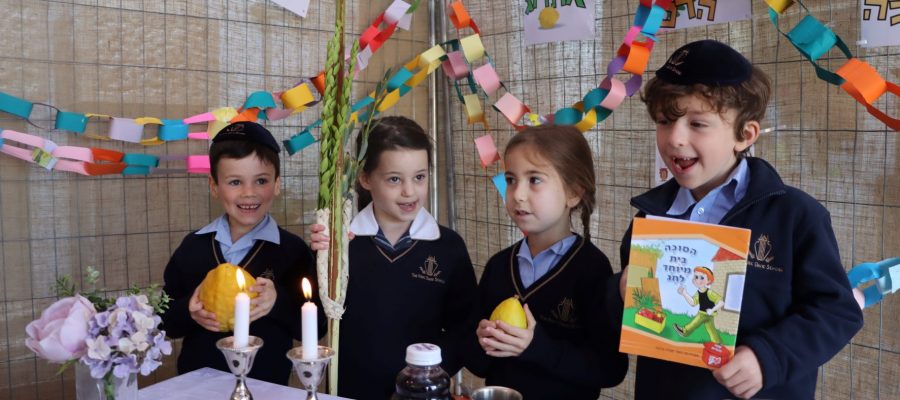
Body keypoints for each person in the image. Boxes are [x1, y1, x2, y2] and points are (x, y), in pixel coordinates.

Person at [614, 40, 864, 399]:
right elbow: (632, 315)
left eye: (697, 123)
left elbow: (837, 311)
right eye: (665, 121)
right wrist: (619, 294)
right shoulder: (651, 217)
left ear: (744, 135)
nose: (675, 138)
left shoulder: (795, 216)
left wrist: (769, 357)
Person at [309, 116, 478, 400]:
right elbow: (315, 319)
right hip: (349, 391)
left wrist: (427, 376)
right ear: (365, 178)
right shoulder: (340, 244)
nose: (409, 191)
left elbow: (465, 328)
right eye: (394, 179)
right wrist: (321, 258)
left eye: (419, 177)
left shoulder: (448, 247)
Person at [464, 125, 628, 399]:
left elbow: (610, 369)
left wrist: (536, 346)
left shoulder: (592, 269)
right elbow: (476, 364)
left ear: (574, 193)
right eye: (511, 179)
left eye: (535, 180)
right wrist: (482, 342)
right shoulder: (498, 266)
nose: (517, 194)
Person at [161, 121, 326, 385]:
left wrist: (277, 303)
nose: (249, 193)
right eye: (235, 182)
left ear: (277, 184)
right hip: (199, 385)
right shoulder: (193, 248)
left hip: (267, 387)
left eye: (261, 180)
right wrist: (189, 311)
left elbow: (316, 327)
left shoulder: (292, 251)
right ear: (214, 186)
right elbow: (165, 322)